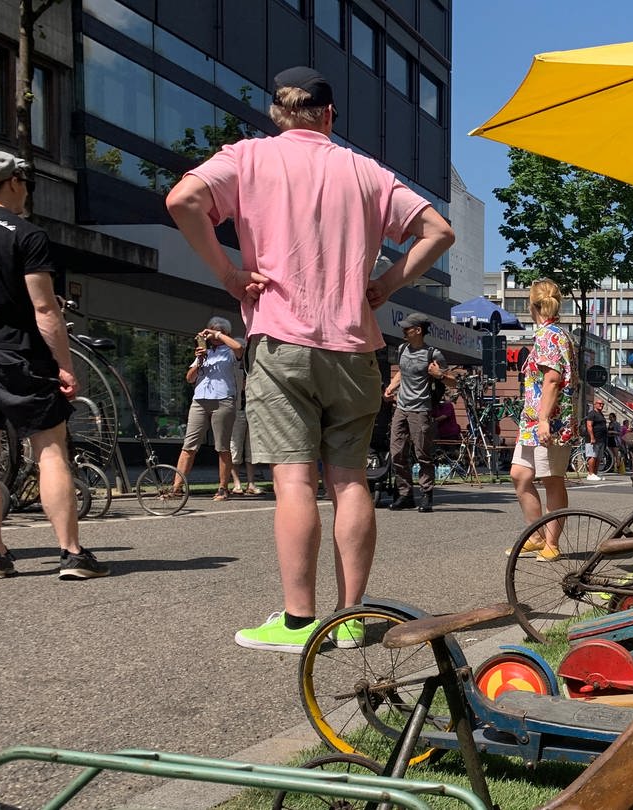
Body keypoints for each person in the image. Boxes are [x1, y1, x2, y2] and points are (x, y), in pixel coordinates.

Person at [167, 66, 455, 651]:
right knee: (350, 480)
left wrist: (228, 274)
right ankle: (350, 619)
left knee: (294, 479)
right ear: (329, 116)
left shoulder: (247, 159)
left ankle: (299, 622)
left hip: (281, 339)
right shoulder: (367, 172)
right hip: (354, 344)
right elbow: (438, 231)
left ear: (278, 113)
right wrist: (389, 284)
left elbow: (184, 198)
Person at [0, 150, 109, 580]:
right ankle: (71, 554)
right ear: (11, 182)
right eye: (25, 182)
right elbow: (45, 309)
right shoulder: (25, 234)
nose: (27, 190)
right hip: (19, 355)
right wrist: (64, 365)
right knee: (50, 449)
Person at [506, 279, 577, 562]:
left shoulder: (549, 336)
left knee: (551, 479)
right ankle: (535, 537)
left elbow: (552, 380)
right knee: (520, 475)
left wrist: (545, 420)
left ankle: (551, 543)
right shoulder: (553, 334)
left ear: (531, 305)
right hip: (535, 420)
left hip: (548, 421)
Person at [383, 313, 449, 513]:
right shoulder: (403, 349)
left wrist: (440, 374)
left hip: (421, 409)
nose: (403, 331)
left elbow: (452, 381)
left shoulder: (433, 354)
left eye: (407, 328)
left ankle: (426, 495)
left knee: (423, 454)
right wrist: (391, 387)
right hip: (401, 408)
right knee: (396, 453)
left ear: (418, 330)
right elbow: (402, 371)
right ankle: (405, 494)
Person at [174, 316, 243, 500]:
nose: (211, 339)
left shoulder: (229, 350)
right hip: (200, 400)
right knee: (189, 445)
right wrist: (199, 360)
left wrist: (217, 334)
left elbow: (239, 348)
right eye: (209, 334)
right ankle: (176, 487)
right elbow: (189, 378)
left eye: (214, 334)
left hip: (223, 400)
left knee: (222, 446)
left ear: (224, 333)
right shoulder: (204, 352)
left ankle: (222, 488)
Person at [228, 354, 262, 496]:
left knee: (251, 447)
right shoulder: (231, 369)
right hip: (237, 410)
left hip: (253, 410)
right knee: (235, 447)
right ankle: (236, 484)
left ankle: (251, 483)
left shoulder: (253, 367)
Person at [583, 397, 608, 482]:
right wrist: (592, 437)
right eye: (600, 404)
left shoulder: (601, 414)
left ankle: (595, 474)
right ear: (595, 404)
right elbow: (589, 426)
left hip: (601, 439)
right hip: (593, 439)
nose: (601, 405)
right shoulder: (592, 414)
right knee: (592, 456)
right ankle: (590, 474)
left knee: (598, 457)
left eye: (603, 404)